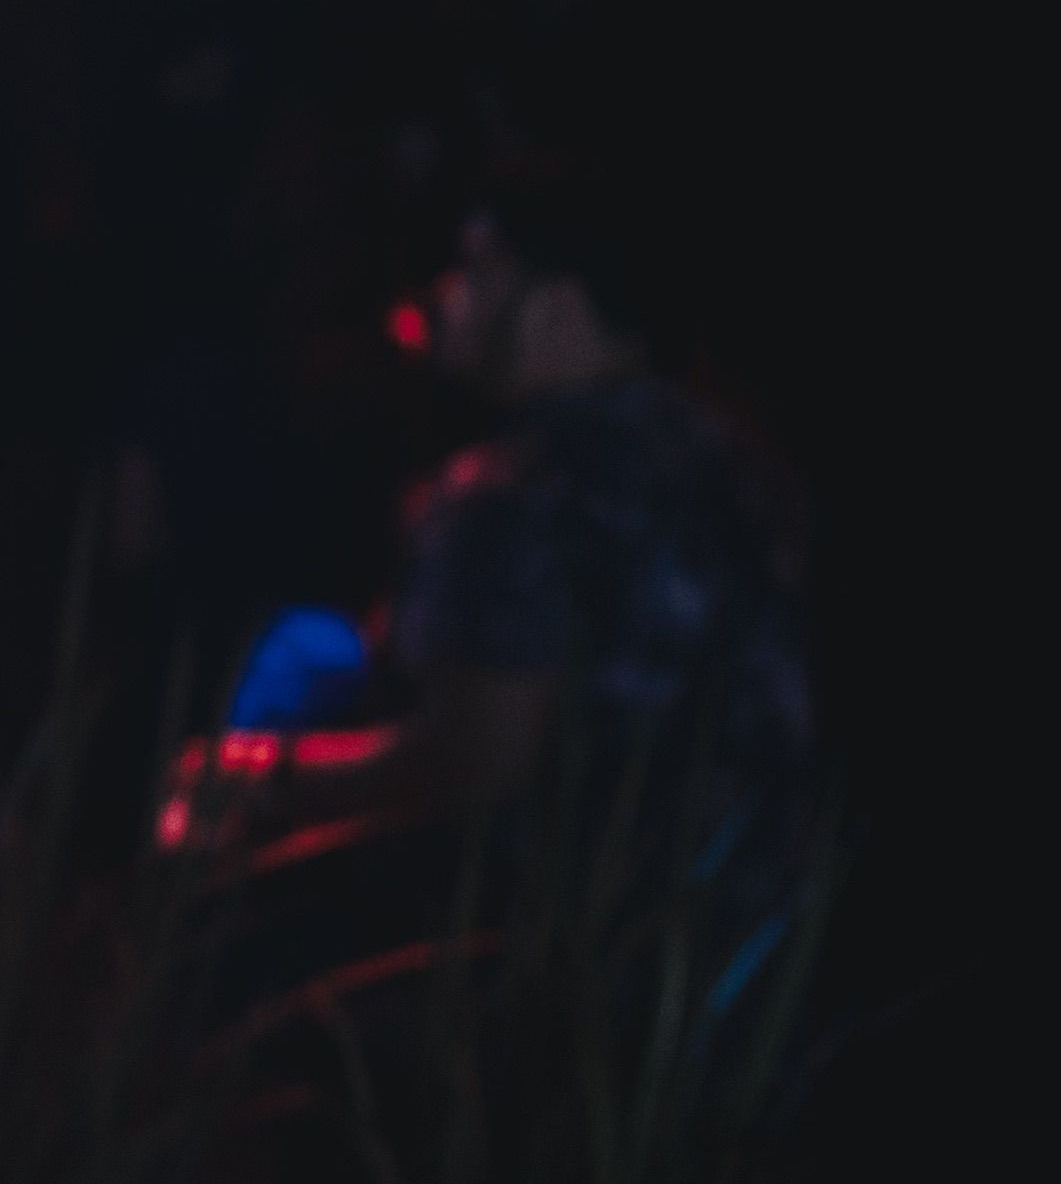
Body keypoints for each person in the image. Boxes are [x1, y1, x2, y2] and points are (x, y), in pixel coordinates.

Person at [182, 187, 815, 860]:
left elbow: (472, 768)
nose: (446, 294)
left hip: (584, 926)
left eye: (477, 270)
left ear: (562, 313)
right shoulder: (738, 456)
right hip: (763, 910)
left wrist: (259, 772)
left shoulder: (517, 488)